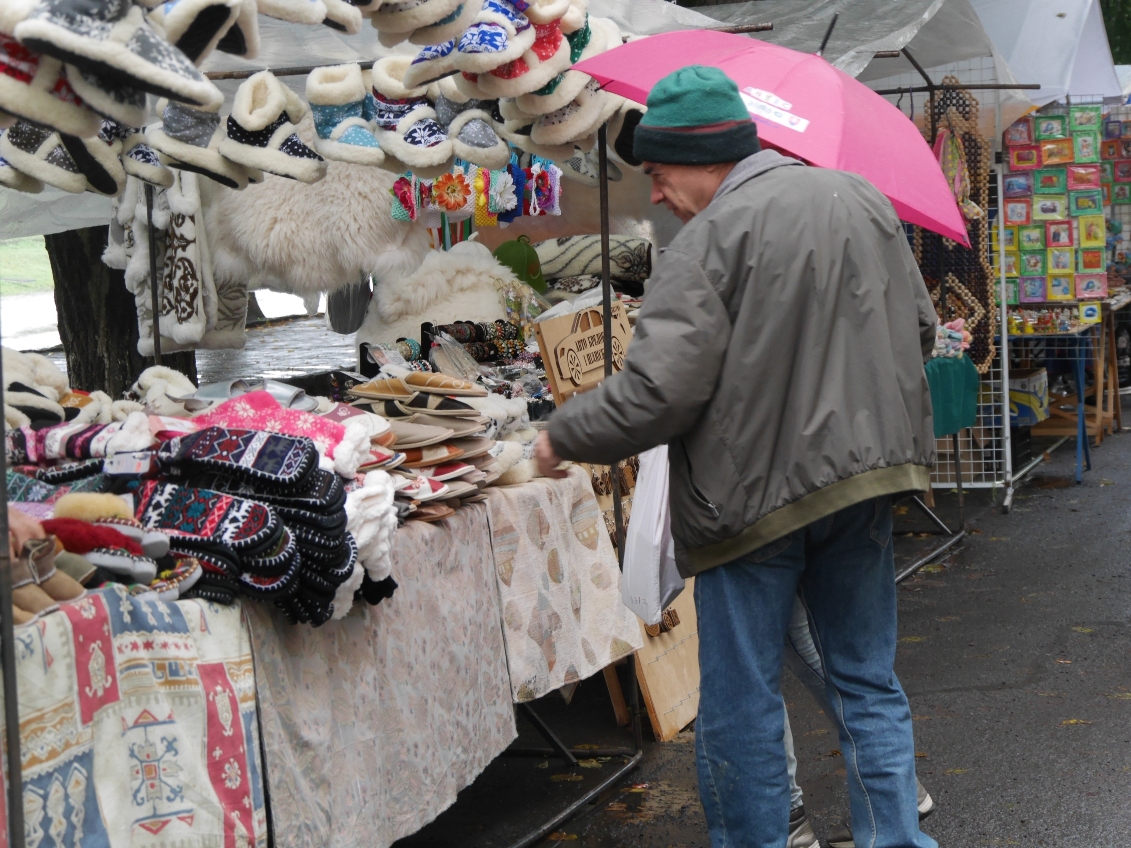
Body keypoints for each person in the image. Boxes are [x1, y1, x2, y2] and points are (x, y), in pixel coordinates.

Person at [535, 65, 938, 848]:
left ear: (700, 155)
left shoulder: (707, 240)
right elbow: (916, 331)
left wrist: (559, 436)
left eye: (656, 173)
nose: (654, 194)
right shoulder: (856, 199)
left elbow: (658, 396)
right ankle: (895, 839)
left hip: (750, 505)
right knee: (864, 680)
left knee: (742, 701)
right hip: (864, 484)